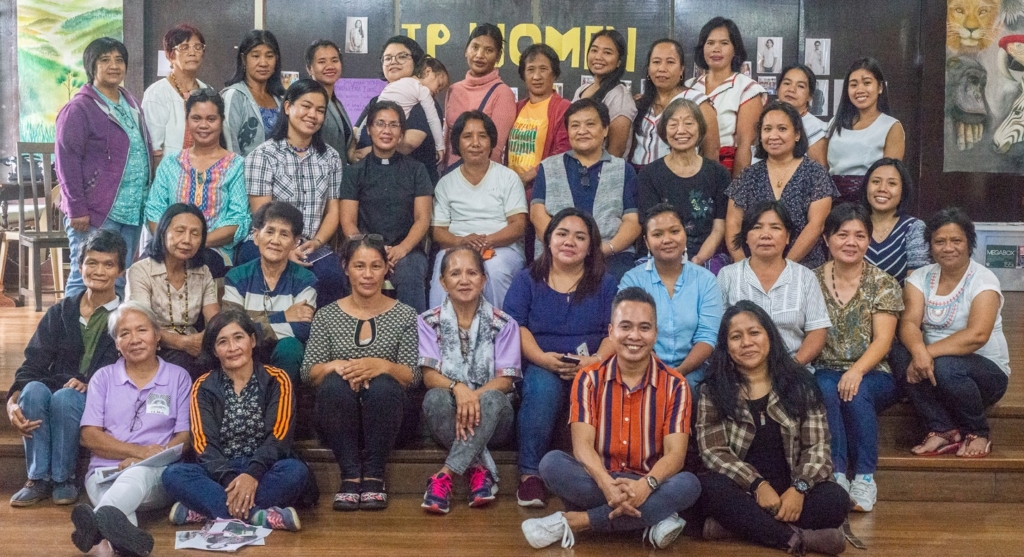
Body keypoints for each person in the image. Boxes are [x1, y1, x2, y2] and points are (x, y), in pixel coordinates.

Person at [521, 288, 700, 550]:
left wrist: (645, 487)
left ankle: (579, 521)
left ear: (655, 333)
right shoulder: (589, 378)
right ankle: (653, 518)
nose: (634, 336)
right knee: (551, 465)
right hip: (598, 478)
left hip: (649, 480)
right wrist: (607, 486)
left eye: (644, 327)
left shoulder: (676, 384)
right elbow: (582, 446)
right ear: (611, 331)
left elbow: (675, 455)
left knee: (689, 484)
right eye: (625, 326)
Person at [695, 301, 849, 555]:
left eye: (754, 333)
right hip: (744, 491)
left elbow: (818, 446)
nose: (746, 342)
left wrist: (799, 489)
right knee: (709, 488)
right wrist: (757, 485)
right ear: (726, 346)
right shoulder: (712, 389)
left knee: (836, 500)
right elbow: (714, 452)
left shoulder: (801, 383)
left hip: (793, 490)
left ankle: (735, 529)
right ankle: (797, 539)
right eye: (736, 337)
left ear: (769, 335)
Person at [503, 208, 618, 508]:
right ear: (548, 239)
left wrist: (595, 360)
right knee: (542, 388)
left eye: (580, 237)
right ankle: (530, 475)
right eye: (562, 234)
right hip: (541, 361)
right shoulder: (527, 279)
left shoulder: (605, 283)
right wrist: (542, 358)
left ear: (591, 246)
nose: (570, 242)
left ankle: (605, 472)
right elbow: (516, 327)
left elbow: (615, 332)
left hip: (593, 364)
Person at [162, 311, 313, 531]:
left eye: (238, 337)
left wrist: (251, 475)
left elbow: (279, 438)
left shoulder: (277, 379)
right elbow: (203, 443)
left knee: (296, 471)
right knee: (173, 474)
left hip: (265, 469)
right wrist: (230, 480)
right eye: (222, 342)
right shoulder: (203, 385)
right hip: (218, 471)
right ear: (214, 350)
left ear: (252, 340)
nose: (232, 347)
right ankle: (257, 516)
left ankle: (207, 510)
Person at [7, 230, 127, 507]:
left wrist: (91, 383)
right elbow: (33, 362)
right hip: (55, 388)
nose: (98, 271)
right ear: (80, 266)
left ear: (121, 271)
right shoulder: (61, 312)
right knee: (34, 390)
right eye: (91, 263)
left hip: (96, 397)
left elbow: (127, 365)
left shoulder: (125, 316)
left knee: (66, 397)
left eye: (108, 264)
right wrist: (12, 403)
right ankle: (37, 477)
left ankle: (64, 477)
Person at [301, 236, 420, 511]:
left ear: (386, 270)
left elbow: (413, 375)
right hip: (338, 419)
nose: (367, 275)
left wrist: (382, 366)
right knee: (332, 384)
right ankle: (350, 476)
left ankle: (375, 476)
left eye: (376, 266)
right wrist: (338, 366)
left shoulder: (405, 314)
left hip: (390, 419)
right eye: (359, 266)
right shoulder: (326, 315)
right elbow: (309, 373)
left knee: (384, 386)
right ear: (345, 268)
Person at [70, 302, 192, 557]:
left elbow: (184, 438)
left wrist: (142, 461)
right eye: (124, 333)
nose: (134, 339)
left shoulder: (178, 376)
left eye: (142, 330)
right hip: (104, 473)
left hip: (155, 473)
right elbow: (89, 435)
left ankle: (92, 528)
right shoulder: (102, 378)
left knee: (132, 477)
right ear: (116, 343)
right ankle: (125, 546)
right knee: (118, 518)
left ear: (157, 336)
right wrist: (138, 452)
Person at [895, 208, 1010, 459]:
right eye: (940, 241)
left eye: (956, 240)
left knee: (947, 366)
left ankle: (978, 432)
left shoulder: (983, 280)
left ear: (969, 243)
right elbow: (909, 323)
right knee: (897, 351)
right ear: (930, 245)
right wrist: (917, 352)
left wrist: (926, 353)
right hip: (933, 370)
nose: (948, 247)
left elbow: (977, 335)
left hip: (985, 377)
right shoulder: (920, 278)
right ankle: (941, 429)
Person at [813, 204, 903, 512]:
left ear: (868, 240)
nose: (851, 242)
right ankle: (837, 475)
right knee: (826, 388)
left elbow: (884, 340)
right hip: (824, 367)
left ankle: (864, 478)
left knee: (856, 392)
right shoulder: (809, 280)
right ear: (827, 239)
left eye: (859, 235)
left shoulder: (884, 283)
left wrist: (856, 371)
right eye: (842, 234)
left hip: (874, 372)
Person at [419, 248, 521, 514]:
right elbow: (429, 376)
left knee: (493, 398)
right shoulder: (428, 322)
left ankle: (445, 474)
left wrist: (472, 398)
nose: (464, 280)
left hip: (495, 419)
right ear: (443, 282)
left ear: (484, 279)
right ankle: (478, 470)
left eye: (472, 273)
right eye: (455, 273)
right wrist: (458, 389)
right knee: (435, 398)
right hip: (450, 417)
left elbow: (507, 380)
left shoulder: (505, 323)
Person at [57, 37, 153, 298]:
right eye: (105, 60)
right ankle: (72, 339)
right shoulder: (79, 109)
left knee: (119, 279)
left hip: (131, 210)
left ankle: (109, 338)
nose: (114, 65)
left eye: (119, 60)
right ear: (92, 66)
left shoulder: (130, 103)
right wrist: (76, 208)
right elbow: (67, 160)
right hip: (95, 211)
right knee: (85, 279)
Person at [242, 78, 345, 306]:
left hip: (310, 245)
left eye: (320, 110)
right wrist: (285, 250)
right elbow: (262, 215)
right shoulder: (263, 155)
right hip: (266, 240)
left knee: (332, 277)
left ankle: (320, 340)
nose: (313, 115)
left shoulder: (331, 158)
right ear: (288, 107)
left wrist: (317, 242)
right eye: (306, 106)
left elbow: (333, 212)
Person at [531, 98, 641, 280]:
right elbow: (537, 215)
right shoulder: (548, 167)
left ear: (605, 129)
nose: (582, 131)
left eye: (590, 124)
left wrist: (605, 249)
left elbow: (632, 221)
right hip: (557, 253)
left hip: (610, 255)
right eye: (575, 125)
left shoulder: (623, 169)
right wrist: (561, 247)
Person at [145, 89, 250, 279]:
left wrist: (194, 243)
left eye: (211, 119)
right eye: (196, 118)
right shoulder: (171, 163)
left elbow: (238, 220)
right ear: (187, 120)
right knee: (145, 267)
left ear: (221, 120)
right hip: (169, 246)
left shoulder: (236, 165)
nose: (203, 125)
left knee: (197, 267)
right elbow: (154, 211)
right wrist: (173, 242)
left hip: (214, 250)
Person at [341, 101, 434, 312]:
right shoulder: (355, 172)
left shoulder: (417, 170)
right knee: (353, 271)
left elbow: (423, 219)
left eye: (394, 125)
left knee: (411, 273)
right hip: (364, 249)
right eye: (380, 124)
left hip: (407, 251)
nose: (386, 131)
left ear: (401, 132)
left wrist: (402, 249)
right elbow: (348, 221)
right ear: (369, 129)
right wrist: (372, 251)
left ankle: (412, 339)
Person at [620, 203, 723, 392]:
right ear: (647, 242)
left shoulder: (705, 280)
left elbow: (708, 337)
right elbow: (628, 331)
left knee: (688, 388)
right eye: (657, 234)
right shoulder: (633, 279)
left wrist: (679, 372)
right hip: (641, 365)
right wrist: (657, 370)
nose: (667, 239)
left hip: (694, 370)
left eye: (674, 231)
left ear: (685, 234)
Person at [430, 110, 528, 309]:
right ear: (457, 143)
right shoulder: (445, 183)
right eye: (467, 137)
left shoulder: (508, 178)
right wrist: (462, 242)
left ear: (492, 141)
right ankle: (439, 336)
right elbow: (438, 231)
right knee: (447, 272)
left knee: (494, 270)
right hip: (456, 246)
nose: (475, 143)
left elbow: (518, 226)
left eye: (482, 136)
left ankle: (501, 335)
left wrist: (486, 241)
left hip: (502, 248)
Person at [725, 101, 837, 269]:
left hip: (803, 268)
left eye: (782, 129)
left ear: (797, 134)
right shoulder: (748, 176)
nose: (773, 136)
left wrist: (784, 268)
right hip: (754, 268)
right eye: (767, 129)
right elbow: (733, 223)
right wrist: (743, 266)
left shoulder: (815, 173)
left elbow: (816, 225)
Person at [717, 201, 831, 365]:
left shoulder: (805, 277)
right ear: (746, 237)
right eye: (757, 227)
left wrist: (792, 368)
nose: (765, 234)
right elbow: (718, 331)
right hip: (740, 369)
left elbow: (817, 332)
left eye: (775, 227)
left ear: (787, 237)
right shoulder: (728, 275)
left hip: (793, 370)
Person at [223, 202, 317, 385]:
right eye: (269, 232)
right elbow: (231, 328)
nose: (275, 240)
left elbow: (301, 329)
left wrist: (249, 323)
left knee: (290, 347)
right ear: (257, 236)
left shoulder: (306, 280)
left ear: (295, 242)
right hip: (243, 353)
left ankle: (283, 406)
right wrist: (284, 316)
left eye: (284, 234)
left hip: (282, 355)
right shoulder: (236, 277)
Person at [127, 203, 220, 378]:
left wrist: (204, 340)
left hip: (194, 346)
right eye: (180, 231)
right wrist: (183, 343)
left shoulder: (203, 271)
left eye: (195, 234)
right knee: (180, 363)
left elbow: (214, 320)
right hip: (153, 347)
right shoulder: (141, 270)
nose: (187, 240)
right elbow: (141, 326)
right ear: (163, 233)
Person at [636, 98, 731, 270]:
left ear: (700, 128)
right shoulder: (649, 175)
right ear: (664, 131)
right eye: (673, 125)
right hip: (662, 253)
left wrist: (698, 260)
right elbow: (651, 227)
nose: (681, 130)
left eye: (688, 123)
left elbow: (719, 228)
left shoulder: (719, 173)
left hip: (707, 255)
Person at [353, 36, 441, 184]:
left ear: (416, 62)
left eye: (402, 56)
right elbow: (355, 132)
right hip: (370, 185)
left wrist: (364, 154)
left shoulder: (424, 101)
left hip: (412, 188)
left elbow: (408, 144)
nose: (393, 61)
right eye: (387, 58)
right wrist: (351, 153)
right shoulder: (375, 101)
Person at [686, 17, 766, 177]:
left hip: (727, 171)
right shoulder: (689, 86)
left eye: (724, 43)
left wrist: (735, 192)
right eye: (710, 43)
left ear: (735, 49)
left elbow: (746, 146)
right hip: (687, 167)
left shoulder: (748, 89)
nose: (716, 49)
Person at [826, 57, 905, 204]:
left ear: (880, 87)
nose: (859, 90)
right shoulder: (834, 123)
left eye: (867, 83)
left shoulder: (891, 126)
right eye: (853, 84)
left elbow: (889, 175)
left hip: (869, 203)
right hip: (833, 203)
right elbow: (823, 167)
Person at [630, 39, 720, 169]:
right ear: (649, 68)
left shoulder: (698, 102)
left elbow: (712, 152)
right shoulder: (640, 104)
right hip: (639, 176)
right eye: (656, 62)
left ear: (681, 69)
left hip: (680, 175)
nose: (662, 68)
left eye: (670, 62)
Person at [444, 23, 517, 167]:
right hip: (450, 177)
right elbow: (447, 143)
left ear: (498, 56)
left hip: (481, 178)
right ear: (466, 50)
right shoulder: (453, 89)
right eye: (475, 47)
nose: (479, 55)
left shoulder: (502, 93)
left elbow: (495, 150)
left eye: (488, 50)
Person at [143, 24, 209, 165]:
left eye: (197, 47)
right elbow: (154, 150)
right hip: (170, 176)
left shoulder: (207, 92)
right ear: (170, 55)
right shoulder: (157, 93)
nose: (192, 52)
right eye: (184, 47)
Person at [509, 43, 572, 190]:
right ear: (523, 75)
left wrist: (527, 176)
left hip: (543, 190)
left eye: (543, 69)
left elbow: (563, 152)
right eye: (530, 69)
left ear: (554, 73)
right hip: (511, 191)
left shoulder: (563, 108)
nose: (537, 76)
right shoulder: (516, 107)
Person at [861, 158, 929, 284]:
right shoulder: (852, 225)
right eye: (876, 181)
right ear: (866, 187)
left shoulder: (913, 228)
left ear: (903, 191)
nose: (882, 188)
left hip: (902, 302)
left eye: (892, 184)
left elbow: (917, 285)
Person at [573, 29, 638, 158]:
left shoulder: (620, 96)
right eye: (594, 50)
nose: (598, 57)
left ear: (619, 61)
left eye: (607, 52)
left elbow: (616, 150)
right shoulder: (582, 90)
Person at [222, 30, 285, 157]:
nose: (263, 63)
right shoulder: (234, 95)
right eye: (256, 56)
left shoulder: (280, 99)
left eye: (269, 56)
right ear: (244, 59)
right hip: (241, 174)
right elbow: (229, 145)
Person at [378, 56, 449, 162]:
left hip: (374, 131)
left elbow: (371, 113)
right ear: (428, 72)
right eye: (439, 85)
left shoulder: (394, 85)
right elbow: (433, 119)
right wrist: (440, 147)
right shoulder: (422, 90)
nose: (438, 91)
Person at [306, 39, 355, 165]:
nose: (330, 66)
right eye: (322, 61)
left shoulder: (336, 103)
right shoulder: (307, 102)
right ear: (309, 68)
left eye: (334, 60)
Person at [776, 64, 827, 166]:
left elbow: (820, 174)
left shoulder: (815, 128)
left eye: (800, 86)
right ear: (777, 89)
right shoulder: (767, 120)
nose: (791, 89)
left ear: (810, 96)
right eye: (786, 83)